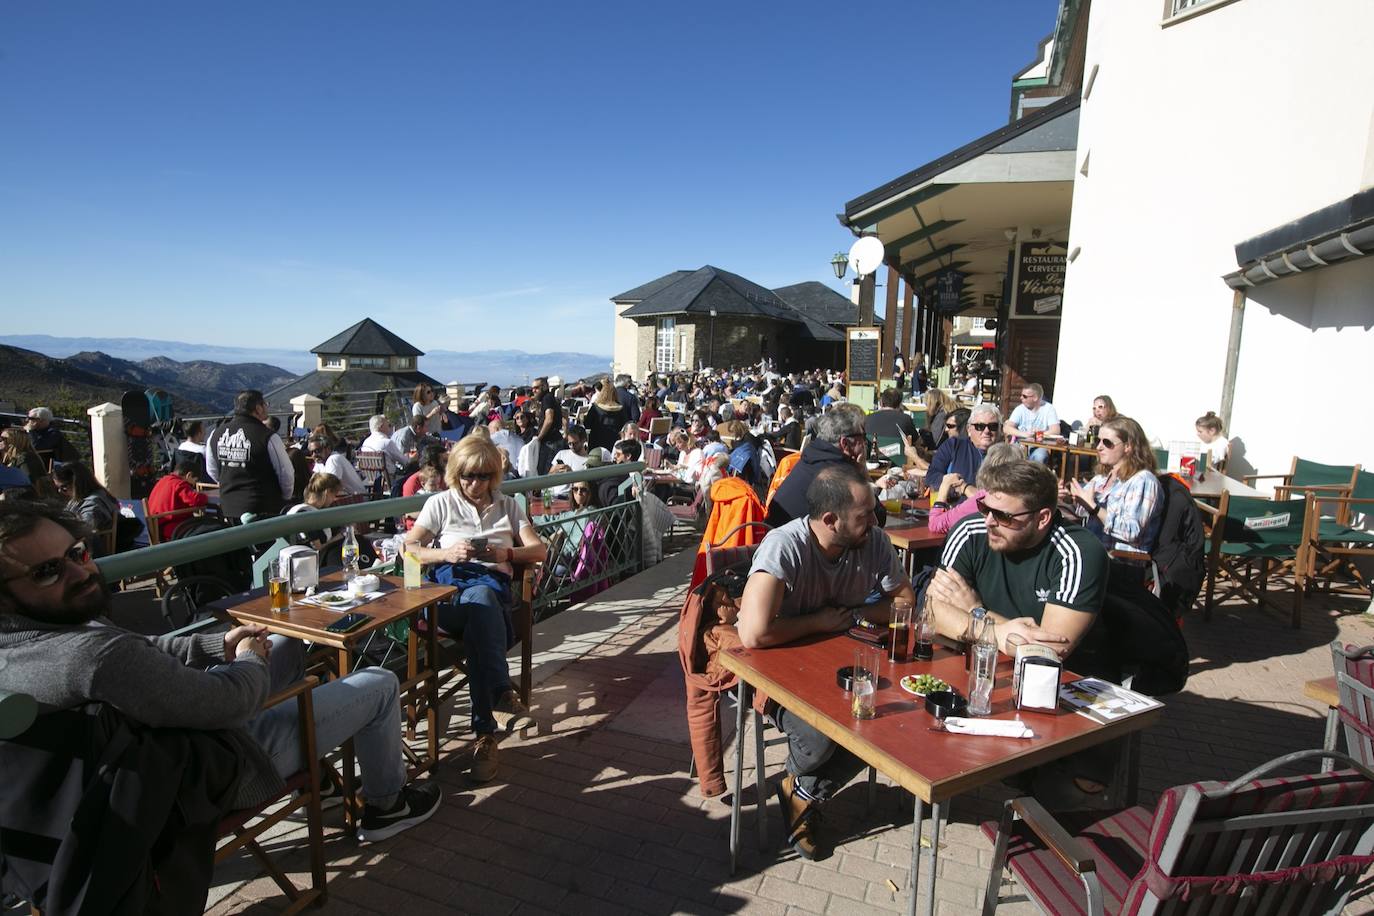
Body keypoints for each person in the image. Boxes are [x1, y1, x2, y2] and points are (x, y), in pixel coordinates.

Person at [0, 499, 442, 843]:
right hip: (216, 772)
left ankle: (324, 784)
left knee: (285, 641)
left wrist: (218, 643)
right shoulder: (90, 657)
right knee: (380, 683)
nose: (79, 572)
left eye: (78, 552)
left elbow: (144, 650)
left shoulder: (40, 638)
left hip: (155, 762)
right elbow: (226, 704)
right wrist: (248, 656)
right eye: (46, 572)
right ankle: (388, 805)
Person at [738, 464, 914, 859]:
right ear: (830, 520)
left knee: (881, 723)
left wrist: (852, 614)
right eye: (865, 514)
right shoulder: (785, 544)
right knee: (820, 740)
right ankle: (806, 788)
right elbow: (753, 634)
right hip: (771, 669)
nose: (876, 518)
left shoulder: (874, 541)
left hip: (837, 663)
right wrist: (817, 621)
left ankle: (800, 791)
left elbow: (904, 603)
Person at [927, 459, 1114, 802]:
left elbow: (1048, 653)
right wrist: (998, 631)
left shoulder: (1079, 551)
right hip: (984, 676)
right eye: (986, 508)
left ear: (1042, 518)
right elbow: (931, 610)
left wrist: (973, 609)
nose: (989, 522)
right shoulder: (971, 530)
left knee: (1068, 800)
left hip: (1066, 691)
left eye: (1004, 517)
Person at [403, 437, 545, 783]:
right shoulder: (440, 503)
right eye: (467, 476)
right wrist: (446, 554)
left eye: (482, 476)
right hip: (448, 600)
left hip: (489, 594)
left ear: (493, 476)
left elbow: (538, 550)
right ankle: (501, 696)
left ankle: (485, 735)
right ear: (455, 474)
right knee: (483, 611)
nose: (474, 484)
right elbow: (408, 548)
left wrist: (504, 555)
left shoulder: (508, 506)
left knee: (482, 608)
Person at [766, 403, 884, 529]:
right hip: (801, 545)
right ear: (845, 443)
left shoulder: (811, 458)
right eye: (863, 436)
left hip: (775, 538)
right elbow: (878, 519)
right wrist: (862, 471)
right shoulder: (839, 472)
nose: (866, 443)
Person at [1065, 416, 1163, 556]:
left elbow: (1131, 532)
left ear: (1128, 446)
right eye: (1098, 440)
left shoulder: (1143, 481)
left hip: (1120, 561)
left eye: (1107, 443)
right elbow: (1081, 512)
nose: (1099, 447)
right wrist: (1068, 498)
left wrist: (1094, 508)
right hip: (1094, 553)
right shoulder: (1102, 478)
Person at [207, 390, 294, 522]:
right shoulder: (268, 437)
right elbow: (286, 474)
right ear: (258, 408)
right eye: (265, 404)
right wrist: (284, 498)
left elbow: (212, 470)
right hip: (263, 510)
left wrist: (229, 484)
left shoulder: (215, 434)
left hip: (228, 508)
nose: (267, 407)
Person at [927, 441, 1026, 535]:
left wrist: (944, 486)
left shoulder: (985, 499)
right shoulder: (1027, 497)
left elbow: (935, 524)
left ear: (987, 467)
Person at [50, 461, 122, 554]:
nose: (60, 491)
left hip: (90, 555)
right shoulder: (83, 498)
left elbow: (86, 527)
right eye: (57, 488)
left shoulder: (93, 502)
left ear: (77, 483)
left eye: (63, 487)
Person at [925, 404, 999, 492]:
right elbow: (932, 477)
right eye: (980, 426)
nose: (987, 431)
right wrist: (960, 487)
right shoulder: (954, 446)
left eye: (993, 426)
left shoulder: (1008, 455)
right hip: (956, 503)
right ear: (969, 429)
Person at [146, 454, 212, 544]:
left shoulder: (163, 480)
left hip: (156, 525)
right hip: (171, 526)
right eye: (195, 481)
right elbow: (196, 500)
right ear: (189, 475)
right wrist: (205, 496)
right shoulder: (179, 484)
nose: (193, 485)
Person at [1003, 383, 1060, 463]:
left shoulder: (1048, 409)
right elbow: (1007, 428)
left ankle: (1035, 475)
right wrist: (1025, 434)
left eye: (1024, 396)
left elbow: (1056, 430)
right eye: (1021, 395)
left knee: (1040, 457)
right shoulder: (1020, 409)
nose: (1021, 398)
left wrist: (1038, 434)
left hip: (1039, 445)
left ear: (1035, 398)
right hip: (1020, 444)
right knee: (1012, 456)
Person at [287, 471, 344, 545]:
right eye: (334, 495)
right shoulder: (305, 515)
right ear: (327, 492)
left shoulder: (305, 510)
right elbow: (317, 549)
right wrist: (342, 535)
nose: (334, 499)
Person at [309, 431, 367, 497]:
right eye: (311, 452)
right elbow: (313, 483)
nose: (314, 455)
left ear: (328, 449)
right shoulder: (320, 461)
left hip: (356, 500)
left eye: (317, 451)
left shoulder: (334, 459)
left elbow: (331, 488)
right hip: (342, 498)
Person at [530, 376, 565, 475]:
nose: (534, 390)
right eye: (532, 388)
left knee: (545, 472)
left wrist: (539, 438)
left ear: (544, 387)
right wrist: (566, 432)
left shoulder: (547, 398)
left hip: (550, 442)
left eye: (536, 388)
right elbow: (564, 414)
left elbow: (549, 419)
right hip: (556, 439)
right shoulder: (551, 398)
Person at [585, 381, 626, 453]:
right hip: (613, 442)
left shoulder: (595, 407)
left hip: (596, 441)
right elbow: (624, 426)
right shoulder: (620, 409)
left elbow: (587, 424)